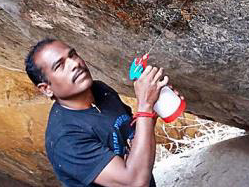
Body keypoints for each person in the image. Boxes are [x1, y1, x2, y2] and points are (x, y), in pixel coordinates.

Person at [25, 39, 172, 187]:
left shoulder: (100, 90)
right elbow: (135, 182)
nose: (75, 64)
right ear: (46, 89)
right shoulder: (66, 139)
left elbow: (135, 136)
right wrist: (145, 105)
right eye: (60, 66)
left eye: (73, 55)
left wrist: (153, 107)